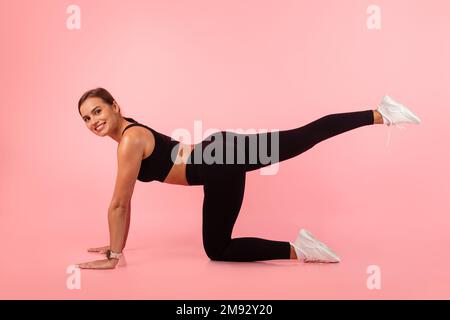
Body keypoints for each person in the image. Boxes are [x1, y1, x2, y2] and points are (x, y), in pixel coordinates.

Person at [76, 88, 421, 269]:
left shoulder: (130, 141)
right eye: (86, 118)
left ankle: (381, 113)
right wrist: (114, 246)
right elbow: (122, 203)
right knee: (302, 137)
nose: (93, 120)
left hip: (219, 162)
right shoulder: (129, 137)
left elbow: (120, 202)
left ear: (115, 106)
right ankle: (302, 248)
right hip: (220, 155)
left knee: (219, 249)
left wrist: (112, 257)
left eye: (97, 110)